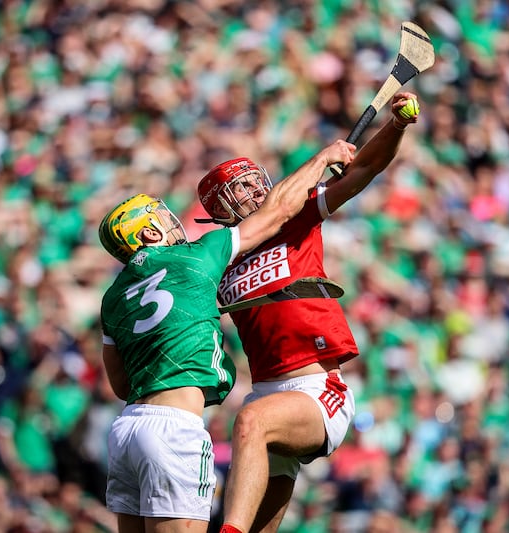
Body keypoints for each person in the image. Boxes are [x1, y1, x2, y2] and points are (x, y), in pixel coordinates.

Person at [98, 140, 357, 533]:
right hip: (173, 429)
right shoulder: (196, 256)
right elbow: (278, 211)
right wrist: (322, 158)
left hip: (125, 432)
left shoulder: (113, 298)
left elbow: (120, 384)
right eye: (164, 218)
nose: (175, 223)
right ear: (149, 233)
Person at [196, 92, 421, 533]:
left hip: (318, 389)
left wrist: (395, 126)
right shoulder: (216, 257)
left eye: (253, 180)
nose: (253, 189)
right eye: (238, 189)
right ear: (220, 210)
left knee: (251, 421)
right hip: (268, 390)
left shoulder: (295, 218)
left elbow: (365, 169)